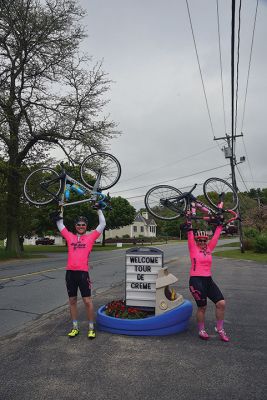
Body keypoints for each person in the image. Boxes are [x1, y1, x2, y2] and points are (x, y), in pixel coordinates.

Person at [51, 208, 106, 340]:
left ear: (86, 226)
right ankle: (75, 327)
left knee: (87, 301)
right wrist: (59, 211)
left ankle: (91, 328)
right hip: (70, 273)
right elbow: (60, 224)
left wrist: (99, 210)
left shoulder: (91, 237)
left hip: (83, 274)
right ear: (75, 226)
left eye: (83, 224)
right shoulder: (69, 236)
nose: (81, 226)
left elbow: (102, 224)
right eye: (78, 224)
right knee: (72, 300)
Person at [184, 221, 229, 342]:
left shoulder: (209, 248)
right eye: (200, 240)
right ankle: (201, 330)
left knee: (221, 303)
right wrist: (189, 224)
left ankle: (219, 329)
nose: (202, 242)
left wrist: (219, 225)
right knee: (202, 307)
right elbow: (190, 235)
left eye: (204, 240)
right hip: (196, 280)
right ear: (196, 241)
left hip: (208, 280)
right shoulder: (193, 248)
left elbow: (216, 237)